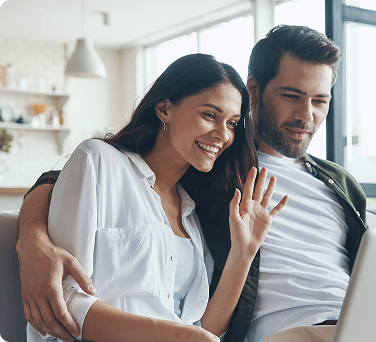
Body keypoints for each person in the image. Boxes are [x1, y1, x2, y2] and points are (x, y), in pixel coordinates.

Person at [17, 25, 367, 342]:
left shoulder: (339, 185)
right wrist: (32, 237)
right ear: (256, 91)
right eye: (292, 95)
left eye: (320, 100)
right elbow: (62, 180)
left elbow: (199, 326)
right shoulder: (220, 178)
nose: (307, 115)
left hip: (362, 323)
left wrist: (245, 250)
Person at [20, 53, 288, 342]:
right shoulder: (99, 161)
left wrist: (243, 252)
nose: (222, 134)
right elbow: (60, 300)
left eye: (233, 123)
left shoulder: (191, 214)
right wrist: (176, 336)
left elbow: (202, 328)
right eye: (210, 115)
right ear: (164, 110)